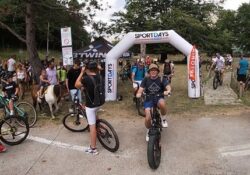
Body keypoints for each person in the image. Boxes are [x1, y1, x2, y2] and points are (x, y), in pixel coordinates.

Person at [75, 61, 105, 155]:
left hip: (91, 106)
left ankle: (93, 148)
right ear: (96, 68)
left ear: (87, 69)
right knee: (95, 115)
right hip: (100, 103)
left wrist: (81, 72)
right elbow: (98, 71)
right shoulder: (100, 76)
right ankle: (99, 127)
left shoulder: (86, 79)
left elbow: (76, 85)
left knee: (92, 127)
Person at [136, 64, 171, 141]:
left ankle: (163, 119)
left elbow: (168, 86)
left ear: (157, 71)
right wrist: (138, 93)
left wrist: (168, 91)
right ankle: (149, 130)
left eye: (155, 70)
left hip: (159, 97)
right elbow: (141, 88)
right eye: (152, 70)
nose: (153, 72)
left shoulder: (161, 79)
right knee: (148, 117)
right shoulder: (146, 79)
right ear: (149, 72)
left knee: (162, 103)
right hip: (149, 99)